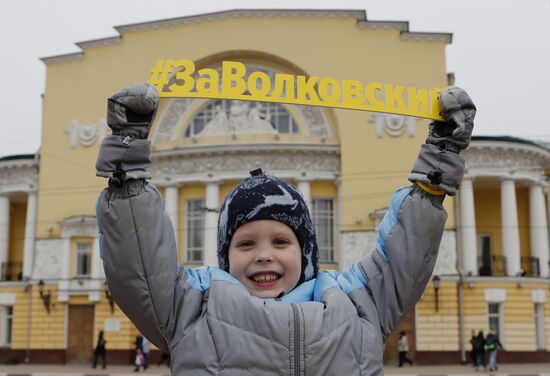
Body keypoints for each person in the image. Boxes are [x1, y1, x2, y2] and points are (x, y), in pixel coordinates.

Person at [96, 83, 475, 375]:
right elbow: (140, 267)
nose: (264, 254)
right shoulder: (192, 309)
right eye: (245, 243)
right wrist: (128, 170)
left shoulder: (359, 304)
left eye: (281, 240)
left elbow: (405, 257)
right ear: (225, 257)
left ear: (306, 251)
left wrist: (435, 172)